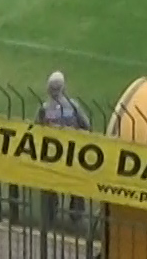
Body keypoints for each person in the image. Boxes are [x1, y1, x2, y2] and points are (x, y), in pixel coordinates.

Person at [36, 72, 91, 223]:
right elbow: (86, 126)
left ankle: (50, 216)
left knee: (49, 186)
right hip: (72, 153)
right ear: (63, 87)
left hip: (51, 155)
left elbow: (36, 130)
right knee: (75, 185)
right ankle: (76, 216)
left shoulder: (45, 108)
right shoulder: (73, 105)